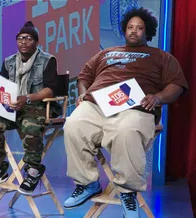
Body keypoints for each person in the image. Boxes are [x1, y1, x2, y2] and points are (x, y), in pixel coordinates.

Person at [63, 7, 188, 218]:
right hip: (97, 104)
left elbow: (176, 85)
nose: (133, 31)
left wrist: (157, 97)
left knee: (126, 131)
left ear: (147, 32)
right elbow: (85, 75)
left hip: (135, 107)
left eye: (139, 28)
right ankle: (87, 184)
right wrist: (83, 94)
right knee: (73, 125)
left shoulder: (161, 57)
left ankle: (128, 192)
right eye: (130, 27)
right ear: (124, 30)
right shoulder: (107, 53)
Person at [0, 21, 59, 195]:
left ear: (37, 43)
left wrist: (27, 98)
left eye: (28, 38)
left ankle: (33, 170)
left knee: (29, 125)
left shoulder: (48, 60)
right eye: (20, 38)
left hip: (38, 106)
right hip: (13, 106)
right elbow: (0, 83)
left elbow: (51, 89)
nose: (23, 41)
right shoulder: (9, 61)